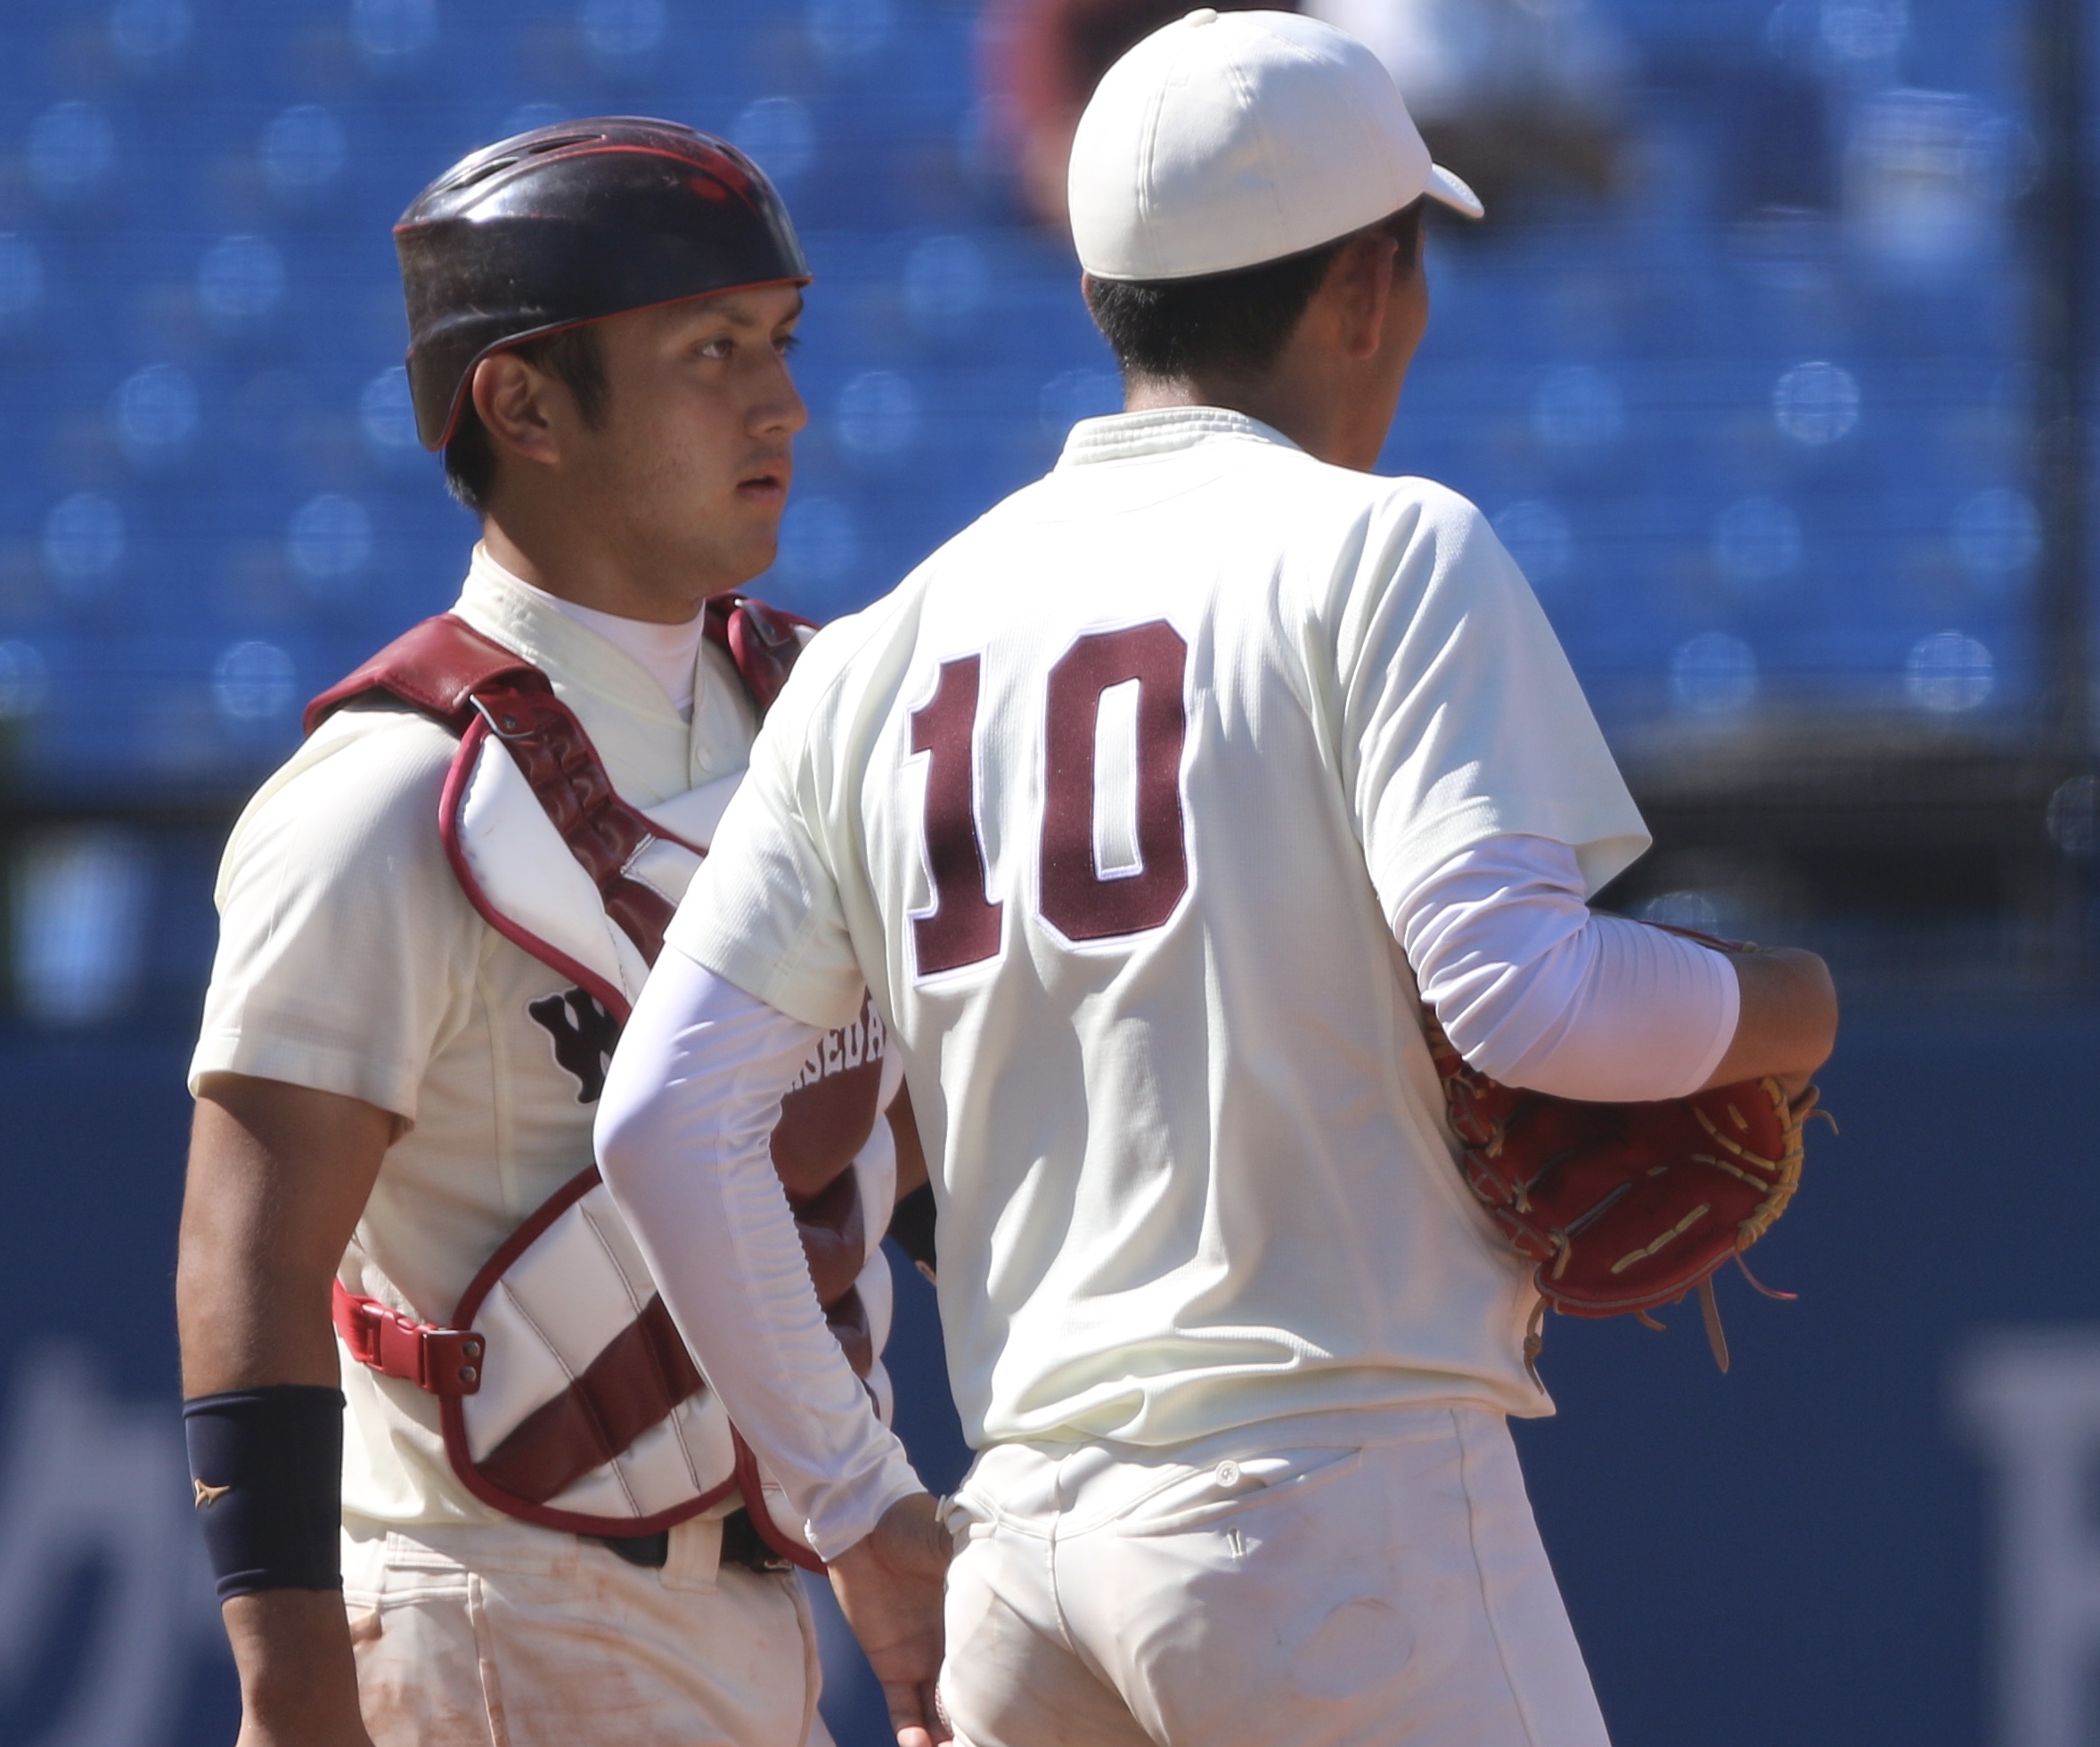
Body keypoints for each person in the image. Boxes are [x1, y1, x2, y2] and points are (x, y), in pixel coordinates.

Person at [592, 15, 1838, 1747]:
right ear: (1357, 289)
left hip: (1021, 1550)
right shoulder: (1382, 547)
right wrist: (1781, 1003)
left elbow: (661, 1119)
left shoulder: (887, 647)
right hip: (1327, 1509)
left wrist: (860, 1510)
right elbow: (1524, 997)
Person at [176, 118, 919, 1747]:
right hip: (493, 1610)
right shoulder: (381, 794)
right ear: (518, 402)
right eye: (710, 350)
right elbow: (250, 1257)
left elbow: (890, 1163)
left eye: (781, 342)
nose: (780, 400)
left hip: (764, 1604)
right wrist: (295, 1691)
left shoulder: (827, 715)